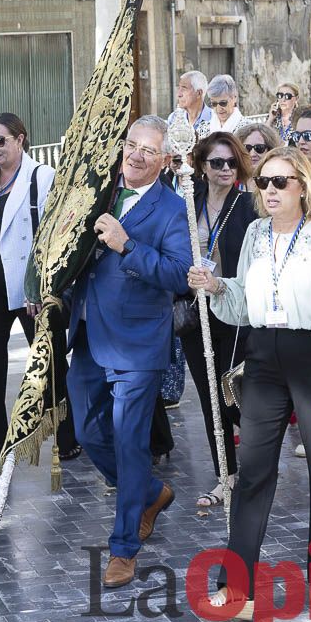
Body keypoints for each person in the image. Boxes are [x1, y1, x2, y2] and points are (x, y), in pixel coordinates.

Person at [188, 146, 311, 620]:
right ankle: (238, 585)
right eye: (263, 182)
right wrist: (216, 286)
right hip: (262, 356)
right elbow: (244, 299)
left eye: (280, 182)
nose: (269, 190)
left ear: (302, 187)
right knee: (253, 470)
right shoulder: (253, 233)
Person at [66, 115, 192, 588]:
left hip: (138, 343)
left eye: (148, 149)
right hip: (88, 335)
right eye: (132, 145)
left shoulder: (172, 208)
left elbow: (180, 275)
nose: (137, 155)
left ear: (163, 159)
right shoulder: (100, 188)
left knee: (129, 441)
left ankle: (124, 549)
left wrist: (126, 246)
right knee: (87, 429)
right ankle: (150, 493)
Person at [0, 113, 65, 478]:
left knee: (49, 365)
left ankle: (67, 436)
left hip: (28, 288)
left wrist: (41, 285)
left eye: (0, 140)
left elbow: (53, 234)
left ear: (21, 140)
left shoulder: (41, 177)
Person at [180, 132, 257, 508]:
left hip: (235, 310)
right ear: (202, 166)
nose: (225, 169)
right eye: (216, 163)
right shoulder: (189, 201)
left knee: (233, 394)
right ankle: (225, 477)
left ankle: (257, 464)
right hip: (197, 314)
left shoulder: (248, 205)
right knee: (211, 397)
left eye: (231, 162)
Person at [235, 122, 282, 188]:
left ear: (270, 150)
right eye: (247, 148)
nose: (252, 154)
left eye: (259, 148)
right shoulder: (232, 181)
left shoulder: (278, 181)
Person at [177, 70, 219, 136]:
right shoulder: (174, 118)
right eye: (178, 88)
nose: (179, 94)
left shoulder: (215, 120)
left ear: (199, 93)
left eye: (184, 88)